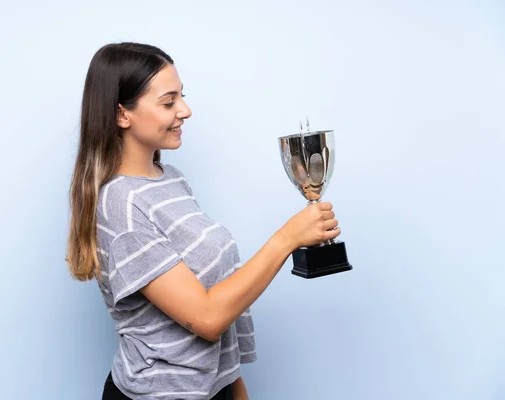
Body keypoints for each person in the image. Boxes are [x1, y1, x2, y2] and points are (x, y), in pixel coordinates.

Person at [66, 42, 341, 400]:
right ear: (122, 115)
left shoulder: (170, 179)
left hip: (215, 389)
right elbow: (208, 318)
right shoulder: (121, 204)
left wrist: (234, 386)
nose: (185, 110)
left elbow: (220, 299)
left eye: (182, 96)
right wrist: (286, 239)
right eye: (168, 102)